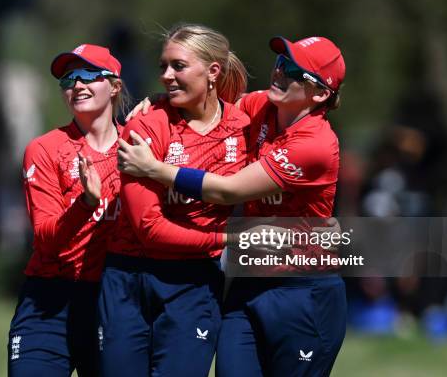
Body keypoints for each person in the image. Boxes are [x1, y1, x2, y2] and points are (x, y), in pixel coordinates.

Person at [118, 36, 347, 376]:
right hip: (248, 283)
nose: (280, 74)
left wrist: (154, 169)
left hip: (303, 291)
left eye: (295, 72)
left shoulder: (315, 143)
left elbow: (228, 191)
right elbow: (206, 101)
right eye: (281, 63)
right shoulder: (262, 106)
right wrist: (160, 99)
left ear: (321, 94)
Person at [96, 23, 249, 377]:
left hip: (195, 282)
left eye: (178, 66)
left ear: (213, 71)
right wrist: (227, 241)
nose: (165, 76)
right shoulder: (146, 127)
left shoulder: (245, 126)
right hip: (130, 277)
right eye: (163, 66)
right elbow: (149, 228)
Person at [7, 44, 129, 377]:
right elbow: (46, 239)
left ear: (115, 85)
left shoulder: (140, 146)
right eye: (68, 78)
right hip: (50, 299)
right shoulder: (45, 148)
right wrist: (85, 205)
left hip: (114, 299)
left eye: (88, 74)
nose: (76, 84)